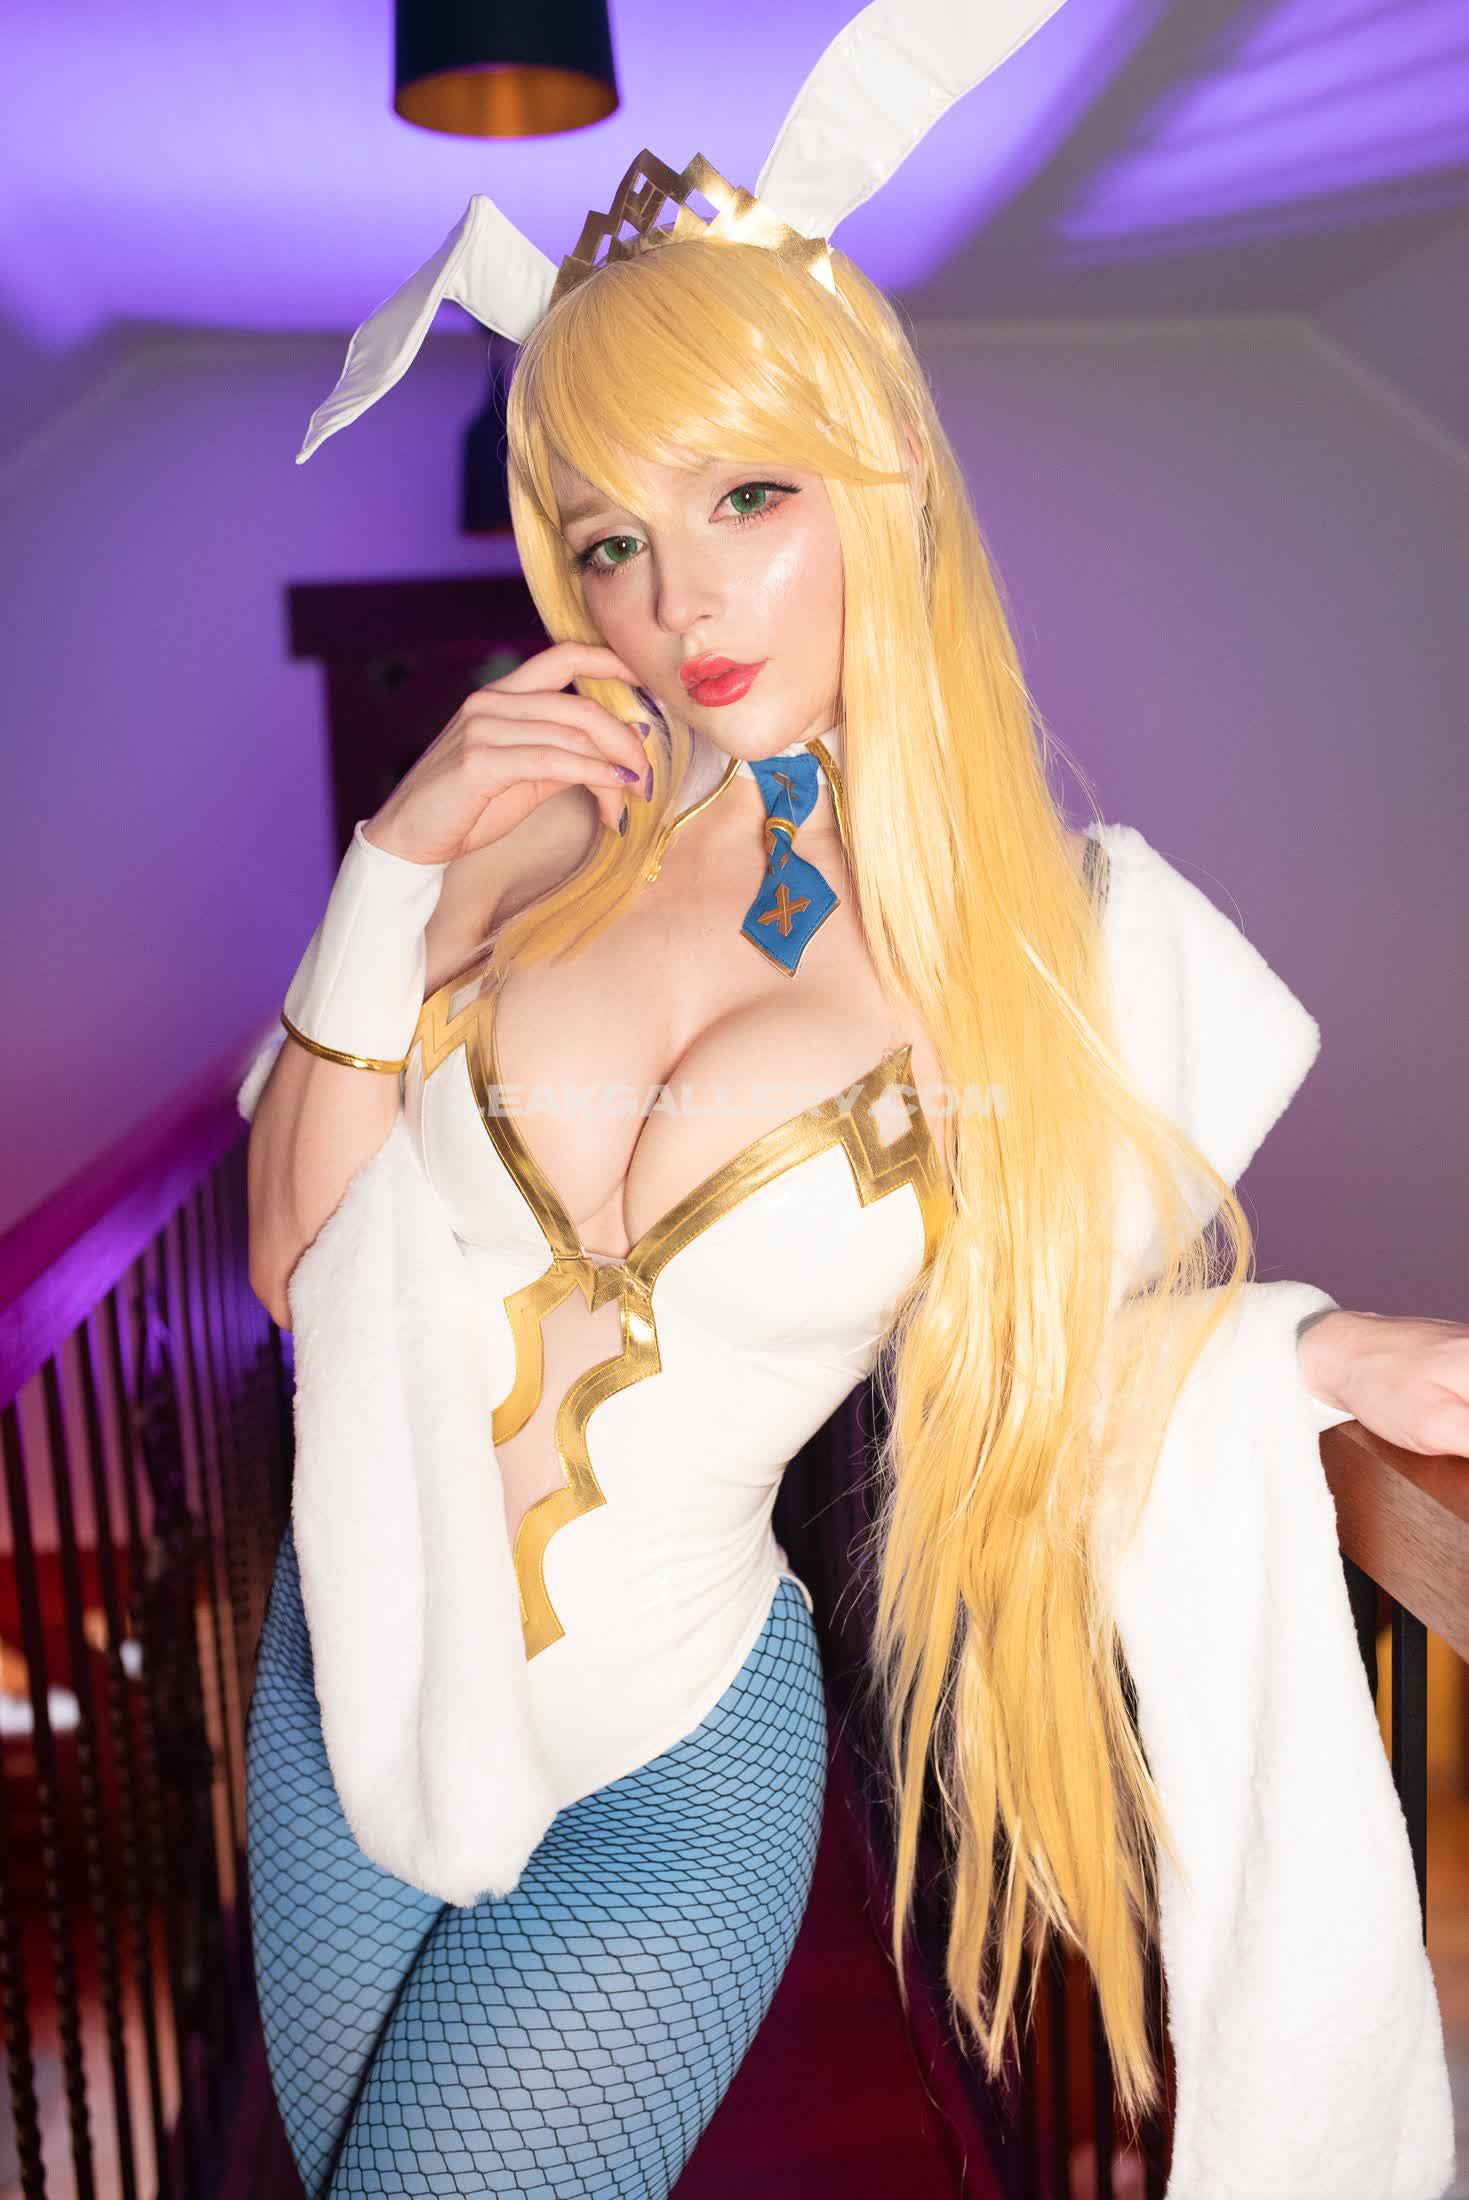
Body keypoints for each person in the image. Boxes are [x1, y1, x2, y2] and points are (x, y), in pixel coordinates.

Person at [238, 7, 1467, 2195]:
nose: (678, 599)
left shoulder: (1051, 948)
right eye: (608, 541)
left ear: (876, 473)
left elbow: (1055, 1354)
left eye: (745, 497)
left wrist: (1312, 1354)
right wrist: (391, 865)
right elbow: (292, 1264)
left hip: (671, 1769)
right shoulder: (532, 826)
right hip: (348, 1683)